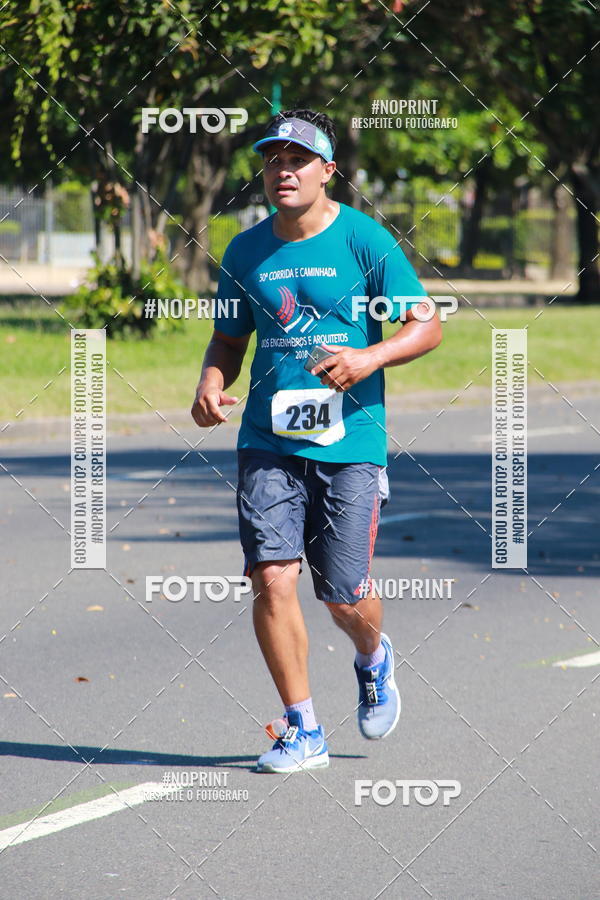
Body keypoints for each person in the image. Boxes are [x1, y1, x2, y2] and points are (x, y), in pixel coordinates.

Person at [191, 108, 442, 774]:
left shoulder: (365, 242)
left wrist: (367, 359)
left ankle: (372, 657)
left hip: (350, 439)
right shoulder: (245, 250)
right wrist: (210, 384)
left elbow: (426, 325)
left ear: (327, 171)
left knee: (342, 594)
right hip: (267, 439)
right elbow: (227, 338)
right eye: (273, 159)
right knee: (272, 578)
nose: (283, 171)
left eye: (298, 160)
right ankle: (303, 728)